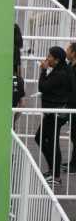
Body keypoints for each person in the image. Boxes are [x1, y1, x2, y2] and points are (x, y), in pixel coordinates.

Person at [36, 46, 72, 184]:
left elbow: (43, 87)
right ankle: (53, 171)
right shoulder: (60, 70)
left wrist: (43, 70)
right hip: (53, 112)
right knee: (42, 139)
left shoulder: (60, 74)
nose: (47, 58)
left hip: (55, 113)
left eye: (50, 56)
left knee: (50, 141)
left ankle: (56, 175)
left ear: (56, 60)